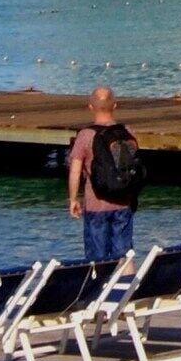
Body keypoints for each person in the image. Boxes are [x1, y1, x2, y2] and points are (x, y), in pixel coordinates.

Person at [68, 86, 140, 263]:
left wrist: (73, 199)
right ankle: (127, 287)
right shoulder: (127, 132)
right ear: (115, 106)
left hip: (95, 205)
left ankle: (99, 288)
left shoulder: (85, 135)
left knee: (96, 258)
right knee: (125, 256)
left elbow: (75, 171)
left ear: (90, 107)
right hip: (123, 202)